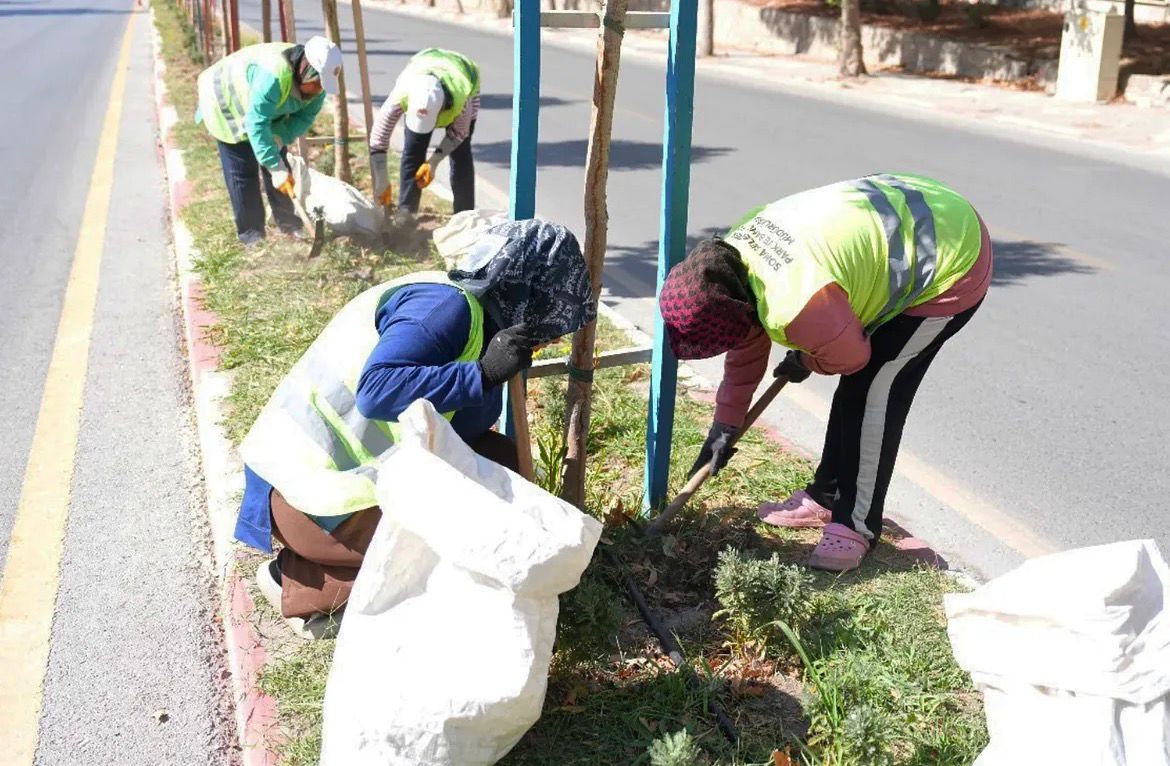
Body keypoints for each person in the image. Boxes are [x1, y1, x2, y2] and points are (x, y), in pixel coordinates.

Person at [234, 219, 595, 637]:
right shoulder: (444, 308)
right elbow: (375, 391)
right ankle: (300, 581)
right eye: (550, 322)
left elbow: (464, 431)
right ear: (529, 295)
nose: (550, 336)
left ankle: (346, 569)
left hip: (334, 489)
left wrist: (491, 374)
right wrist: (479, 375)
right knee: (460, 551)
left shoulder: (479, 321)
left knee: (499, 463)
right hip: (306, 496)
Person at [659, 173, 992, 572]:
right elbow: (745, 354)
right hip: (908, 217)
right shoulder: (729, 265)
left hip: (950, 260)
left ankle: (855, 526)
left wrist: (807, 359)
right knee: (858, 390)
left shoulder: (795, 303)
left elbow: (851, 358)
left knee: (873, 392)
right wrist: (724, 427)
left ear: (742, 313)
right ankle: (827, 496)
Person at [195, 37, 343, 246]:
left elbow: (304, 119)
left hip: (257, 110)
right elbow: (256, 123)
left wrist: (280, 137)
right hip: (224, 101)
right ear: (306, 70)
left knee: (281, 168)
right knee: (243, 171)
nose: (319, 89)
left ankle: (291, 228)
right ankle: (252, 237)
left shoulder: (317, 89)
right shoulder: (274, 76)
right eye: (317, 83)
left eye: (323, 85)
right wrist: (274, 166)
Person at [368, 48, 480, 220]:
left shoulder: (462, 98)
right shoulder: (402, 93)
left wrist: (433, 162)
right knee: (413, 150)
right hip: (424, 63)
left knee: (461, 154)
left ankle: (464, 218)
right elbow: (378, 138)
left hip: (463, 71)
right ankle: (406, 214)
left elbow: (459, 134)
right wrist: (381, 178)